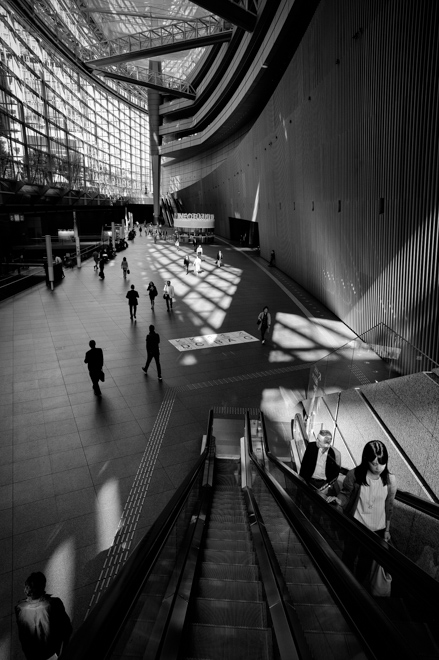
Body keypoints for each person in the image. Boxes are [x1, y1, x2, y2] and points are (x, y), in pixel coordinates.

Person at [328, 440, 397, 583]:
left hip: (376, 531)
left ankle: (358, 588)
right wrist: (338, 500)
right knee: (349, 556)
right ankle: (344, 583)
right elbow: (346, 493)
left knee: (365, 563)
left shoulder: (390, 480)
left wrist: (387, 530)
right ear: (366, 460)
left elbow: (389, 506)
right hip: (356, 526)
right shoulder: (355, 475)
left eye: (382, 463)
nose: (378, 467)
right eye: (374, 463)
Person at [15, 571, 72, 660]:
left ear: (27, 590)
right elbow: (67, 628)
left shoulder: (19, 608)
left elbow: (23, 637)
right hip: (53, 653)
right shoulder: (55, 604)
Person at [299, 430, 341, 495]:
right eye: (317, 438)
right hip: (308, 480)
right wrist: (301, 479)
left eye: (319, 441)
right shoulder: (311, 446)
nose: (316, 441)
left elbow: (335, 474)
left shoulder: (336, 454)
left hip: (323, 485)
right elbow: (304, 465)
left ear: (327, 444)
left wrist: (328, 487)